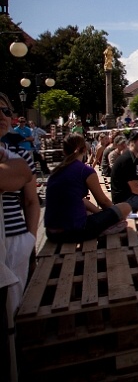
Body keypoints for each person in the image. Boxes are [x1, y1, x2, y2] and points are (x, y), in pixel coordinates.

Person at [44, 134, 132, 243]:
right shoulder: (85, 170)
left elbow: (80, 199)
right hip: (75, 231)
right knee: (125, 207)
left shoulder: (57, 170)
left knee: (89, 211)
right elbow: (103, 201)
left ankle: (104, 224)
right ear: (85, 149)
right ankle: (106, 228)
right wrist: (115, 215)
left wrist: (100, 214)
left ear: (64, 151)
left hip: (51, 233)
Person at [0, 92, 40, 316]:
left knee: (12, 311)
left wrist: (30, 239)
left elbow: (31, 200)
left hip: (15, 238)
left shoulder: (20, 154)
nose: (2, 115)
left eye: (6, 111)